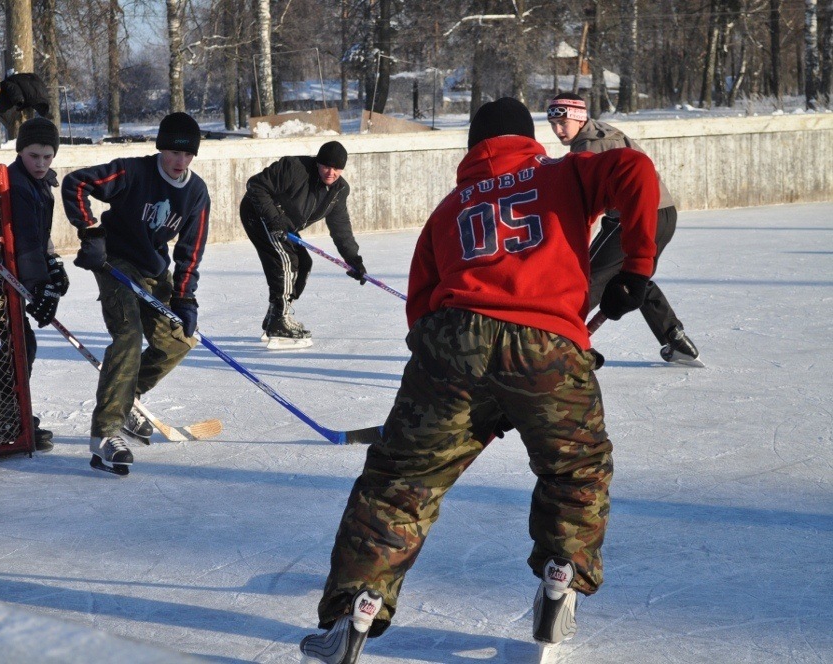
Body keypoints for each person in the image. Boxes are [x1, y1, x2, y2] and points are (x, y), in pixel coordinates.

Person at [299, 98, 661, 663]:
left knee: (399, 480)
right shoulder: (564, 172)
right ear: (528, 139)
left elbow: (420, 306)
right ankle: (561, 572)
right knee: (575, 466)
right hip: (548, 344)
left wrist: (450, 381)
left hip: (452, 342)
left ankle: (356, 609)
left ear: (472, 146)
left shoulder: (448, 210)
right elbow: (636, 170)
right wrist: (636, 268)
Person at [62, 112, 210, 475]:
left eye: (187, 154)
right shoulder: (133, 172)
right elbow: (75, 183)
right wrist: (91, 233)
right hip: (114, 262)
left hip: (154, 269)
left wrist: (185, 296)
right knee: (128, 336)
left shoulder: (196, 192)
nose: (180, 160)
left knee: (178, 341)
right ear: (160, 148)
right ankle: (106, 431)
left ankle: (127, 399)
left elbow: (191, 248)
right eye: (173, 152)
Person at [547, 93, 701, 365]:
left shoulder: (587, 147)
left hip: (631, 218)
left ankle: (555, 345)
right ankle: (674, 337)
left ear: (579, 118)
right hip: (664, 215)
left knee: (585, 279)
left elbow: (582, 204)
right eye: (553, 124)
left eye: (563, 122)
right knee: (631, 275)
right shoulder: (607, 132)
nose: (558, 130)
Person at [0, 117, 66, 452]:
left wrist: (54, 266)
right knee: (19, 339)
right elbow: (23, 242)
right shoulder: (16, 185)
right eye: (33, 155)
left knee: (21, 340)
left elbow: (38, 237)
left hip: (12, 266)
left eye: (46, 156)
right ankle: (4, 418)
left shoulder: (40, 183)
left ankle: (5, 413)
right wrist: (40, 287)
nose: (40, 163)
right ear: (20, 151)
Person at [239, 140, 366, 349]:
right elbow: (256, 185)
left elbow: (340, 226)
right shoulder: (295, 168)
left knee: (304, 263)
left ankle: (276, 314)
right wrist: (273, 221)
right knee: (286, 260)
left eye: (337, 168)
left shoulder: (339, 191)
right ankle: (279, 320)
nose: (331, 173)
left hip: (283, 222)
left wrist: (353, 259)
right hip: (259, 213)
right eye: (326, 166)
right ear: (318, 163)